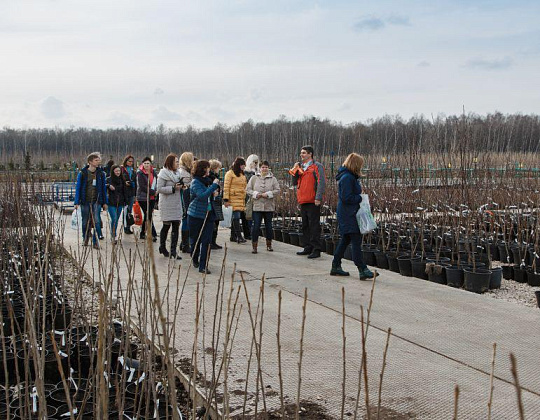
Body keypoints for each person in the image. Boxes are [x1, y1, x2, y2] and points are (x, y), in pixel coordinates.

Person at [331, 153, 374, 280]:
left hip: (347, 212)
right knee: (355, 240)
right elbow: (346, 197)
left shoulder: (347, 176)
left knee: (345, 240)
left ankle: (336, 265)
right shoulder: (348, 178)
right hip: (349, 214)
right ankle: (362, 269)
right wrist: (360, 197)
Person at [288, 145, 326, 259]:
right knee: (305, 225)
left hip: (313, 200)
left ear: (310, 154)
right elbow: (294, 182)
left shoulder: (316, 166)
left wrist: (318, 197)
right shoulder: (300, 167)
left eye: (304, 153)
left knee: (314, 225)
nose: (301, 155)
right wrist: (295, 170)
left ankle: (316, 249)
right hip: (302, 199)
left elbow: (321, 182)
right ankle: (307, 246)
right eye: (301, 152)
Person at [187, 159, 220, 274]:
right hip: (196, 215)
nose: (209, 170)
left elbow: (210, 194)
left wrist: (215, 192)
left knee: (206, 241)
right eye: (207, 168)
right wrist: (213, 187)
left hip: (209, 214)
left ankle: (203, 265)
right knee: (196, 239)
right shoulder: (195, 182)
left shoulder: (208, 180)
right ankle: (194, 257)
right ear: (202, 169)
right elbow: (201, 196)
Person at [74, 152, 108, 249]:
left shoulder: (101, 174)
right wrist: (76, 202)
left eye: (99, 160)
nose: (98, 162)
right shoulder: (83, 173)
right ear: (90, 162)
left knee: (97, 221)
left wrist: (105, 202)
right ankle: (85, 237)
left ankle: (95, 241)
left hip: (96, 201)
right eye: (96, 160)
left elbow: (103, 189)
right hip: (85, 201)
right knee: (85, 221)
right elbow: (78, 188)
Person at [246, 160, 280, 254]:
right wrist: (255, 194)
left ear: (268, 168)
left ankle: (269, 245)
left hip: (269, 207)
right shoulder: (254, 178)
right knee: (256, 226)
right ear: (260, 168)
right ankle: (254, 246)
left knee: (269, 226)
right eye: (263, 167)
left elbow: (277, 190)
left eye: (266, 167)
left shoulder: (273, 179)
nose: (264, 169)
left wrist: (268, 194)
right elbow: (248, 189)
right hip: (257, 206)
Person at [157, 153, 183, 259]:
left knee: (176, 226)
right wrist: (173, 188)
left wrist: (182, 186)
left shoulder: (178, 173)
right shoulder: (163, 173)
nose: (178, 163)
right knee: (166, 225)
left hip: (176, 203)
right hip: (167, 203)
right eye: (176, 161)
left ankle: (173, 251)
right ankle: (162, 246)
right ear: (170, 162)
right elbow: (159, 189)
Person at [223, 157, 248, 244]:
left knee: (236, 217)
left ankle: (233, 236)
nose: (243, 167)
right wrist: (226, 199)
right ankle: (239, 236)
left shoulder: (242, 174)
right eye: (242, 165)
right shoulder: (229, 174)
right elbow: (226, 187)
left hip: (240, 198)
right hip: (232, 199)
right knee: (236, 217)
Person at [136, 156, 158, 241]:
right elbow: (142, 186)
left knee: (147, 215)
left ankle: (142, 233)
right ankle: (153, 233)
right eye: (144, 163)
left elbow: (156, 182)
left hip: (152, 197)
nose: (146, 165)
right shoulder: (140, 173)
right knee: (148, 215)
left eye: (148, 163)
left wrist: (156, 192)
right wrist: (152, 192)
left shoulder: (153, 172)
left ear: (151, 164)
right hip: (143, 197)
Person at [106, 165, 127, 243]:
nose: (118, 172)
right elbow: (102, 187)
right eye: (116, 171)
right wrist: (108, 186)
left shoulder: (122, 179)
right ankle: (113, 236)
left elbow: (125, 191)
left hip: (120, 202)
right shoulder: (108, 179)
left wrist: (126, 201)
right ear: (113, 172)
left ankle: (113, 233)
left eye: (119, 171)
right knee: (114, 219)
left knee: (117, 219)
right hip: (111, 202)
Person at [178, 152, 194, 253]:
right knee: (186, 219)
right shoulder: (182, 172)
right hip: (185, 196)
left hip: (188, 196)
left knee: (187, 219)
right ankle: (185, 244)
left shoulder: (188, 171)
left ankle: (184, 243)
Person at [209, 159, 223, 250]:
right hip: (213, 201)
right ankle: (211, 242)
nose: (220, 170)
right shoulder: (211, 177)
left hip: (217, 200)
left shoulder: (216, 176)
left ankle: (213, 241)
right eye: (219, 168)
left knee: (216, 221)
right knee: (213, 222)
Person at [121, 155, 137, 234]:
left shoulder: (133, 171)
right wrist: (124, 183)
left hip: (131, 192)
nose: (130, 163)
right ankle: (125, 226)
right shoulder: (122, 170)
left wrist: (135, 194)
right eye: (129, 161)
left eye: (131, 161)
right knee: (125, 210)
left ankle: (128, 226)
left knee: (129, 210)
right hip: (124, 192)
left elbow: (136, 182)